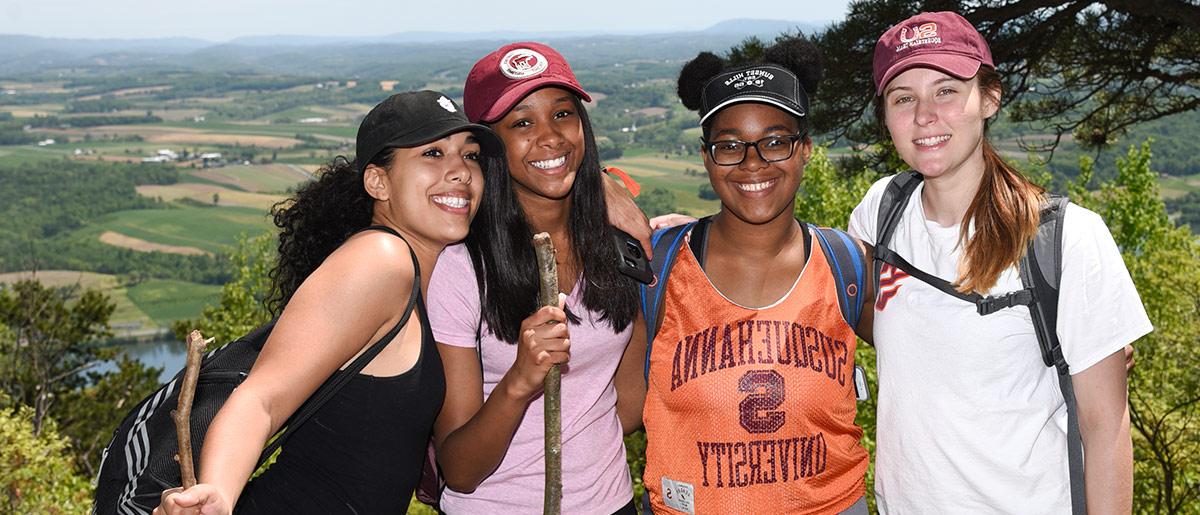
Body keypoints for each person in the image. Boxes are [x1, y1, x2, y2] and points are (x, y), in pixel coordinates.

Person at [847, 11, 1149, 513]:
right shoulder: (881, 211)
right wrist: (696, 237)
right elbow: (809, 280)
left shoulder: (1066, 238)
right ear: (886, 118)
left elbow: (1106, 428)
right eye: (904, 98)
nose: (925, 115)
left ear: (989, 97)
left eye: (947, 91)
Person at [155, 90, 502, 514]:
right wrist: (220, 495)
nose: (460, 171)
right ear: (378, 182)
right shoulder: (380, 261)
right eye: (432, 153)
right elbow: (260, 399)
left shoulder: (429, 275)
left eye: (470, 156)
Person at [638, 36, 873, 514]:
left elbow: (937, 363)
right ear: (706, 158)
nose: (753, 163)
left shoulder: (850, 265)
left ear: (805, 149)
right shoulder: (657, 269)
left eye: (775, 141)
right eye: (730, 146)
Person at [426, 42, 645, 514]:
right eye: (522, 123)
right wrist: (520, 380)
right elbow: (460, 470)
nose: (550, 137)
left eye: (563, 115)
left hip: (612, 504)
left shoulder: (618, 249)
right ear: (489, 145)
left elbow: (625, 407)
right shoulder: (463, 271)